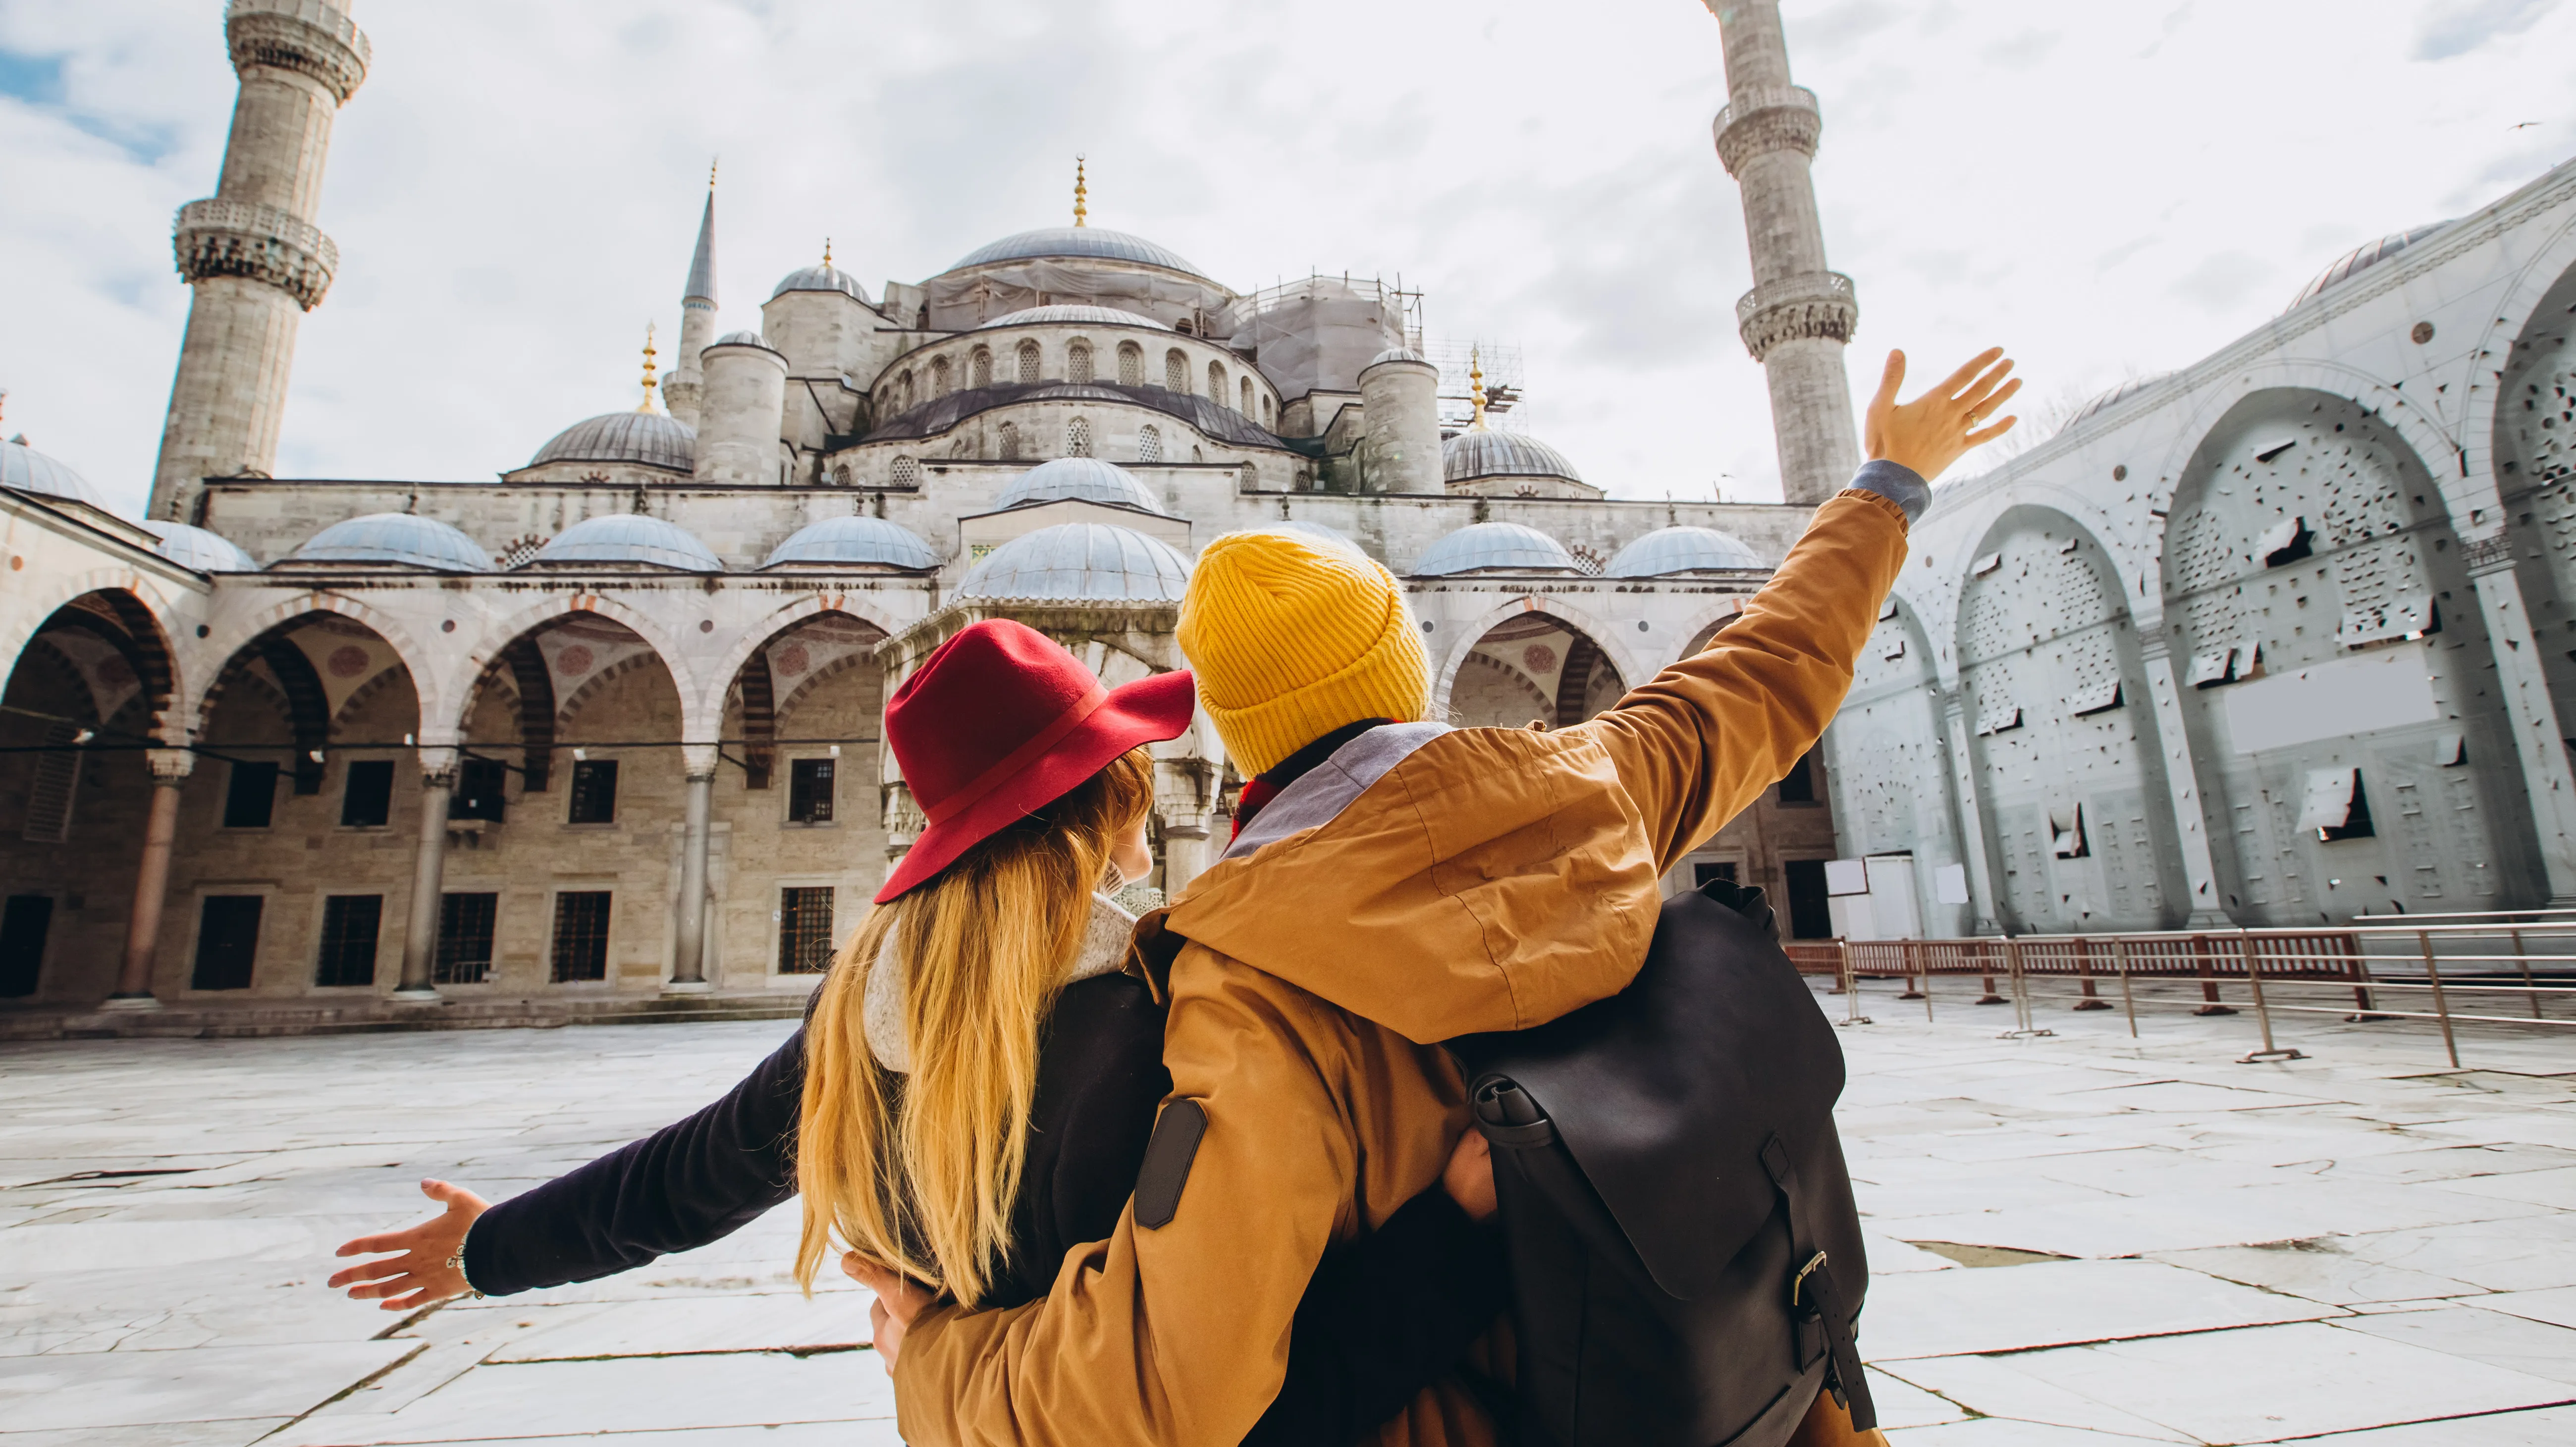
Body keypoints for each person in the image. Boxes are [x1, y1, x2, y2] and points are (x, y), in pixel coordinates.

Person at [863, 347, 2018, 1447]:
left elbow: (1160, 1383)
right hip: (1732, 1391)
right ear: (1400, 668)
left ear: (1241, 739)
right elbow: (1775, 660)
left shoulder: (1248, 972)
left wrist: (936, 1356)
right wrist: (1884, 486)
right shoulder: (1599, 784)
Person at [330, 618, 1510, 1441]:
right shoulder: (1154, 1025)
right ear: (1105, 806)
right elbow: (1233, 1399)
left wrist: (498, 1246)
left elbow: (692, 1174)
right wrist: (1455, 1234)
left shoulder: (856, 1012)